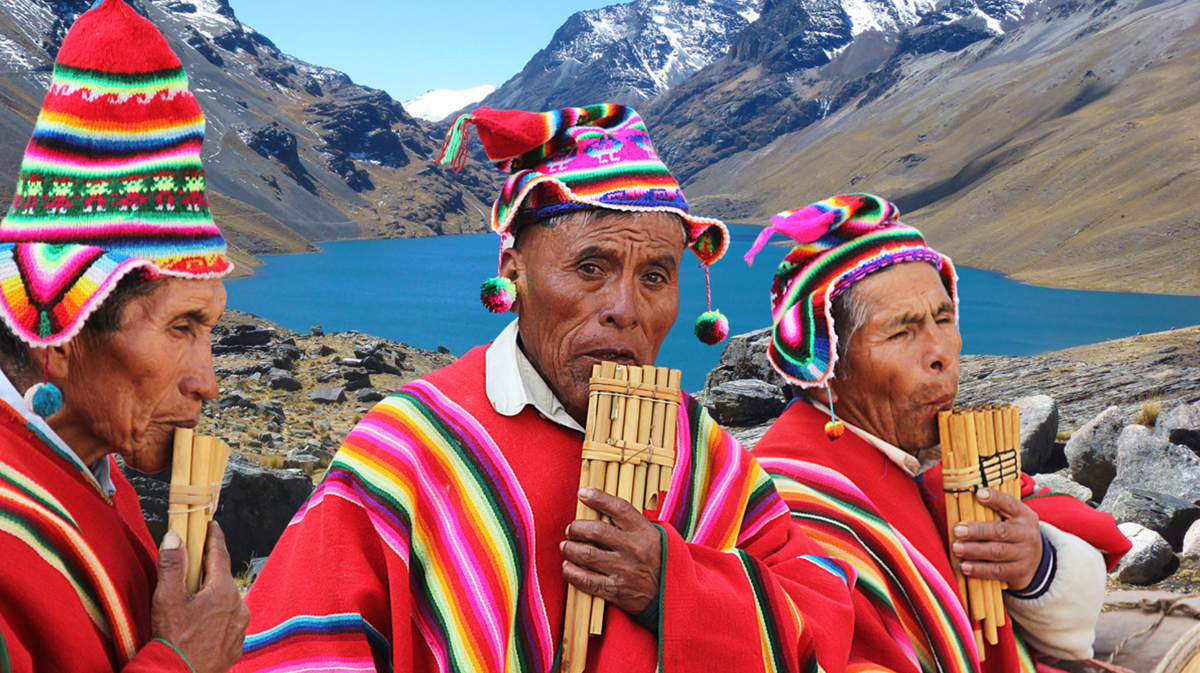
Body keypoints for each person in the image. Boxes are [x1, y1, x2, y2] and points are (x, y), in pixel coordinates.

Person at [235, 106, 856, 673]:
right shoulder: (412, 448)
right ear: (514, 267)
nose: (625, 310)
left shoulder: (705, 452)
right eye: (591, 267)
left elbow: (819, 621)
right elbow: (296, 648)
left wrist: (677, 585)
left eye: (656, 277)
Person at [746, 194, 1131, 673]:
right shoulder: (783, 505)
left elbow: (1072, 624)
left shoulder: (948, 459)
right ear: (827, 365)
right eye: (901, 332)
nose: (941, 354)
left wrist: (1037, 567)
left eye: (944, 318)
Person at [0, 1, 249, 671]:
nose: (209, 381)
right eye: (181, 327)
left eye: (210, 329)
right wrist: (183, 658)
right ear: (63, 330)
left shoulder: (99, 465)